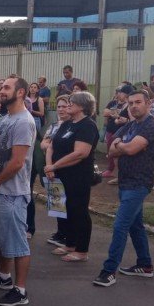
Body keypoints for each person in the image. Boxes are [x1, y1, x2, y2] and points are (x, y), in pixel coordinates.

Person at [93, 90, 154, 287]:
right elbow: (111, 150)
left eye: (138, 102)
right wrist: (125, 145)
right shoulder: (131, 125)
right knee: (135, 225)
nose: (134, 106)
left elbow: (128, 149)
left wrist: (123, 145)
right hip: (125, 181)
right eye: (131, 103)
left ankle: (109, 271)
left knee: (120, 225)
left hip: (140, 182)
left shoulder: (153, 126)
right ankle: (145, 265)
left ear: (148, 103)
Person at [0, 76, 36, 306]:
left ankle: (20, 289)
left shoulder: (24, 122)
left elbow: (17, 162)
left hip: (12, 192)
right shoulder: (6, 119)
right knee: (4, 237)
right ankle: (4, 277)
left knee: (17, 242)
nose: (1, 91)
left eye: (6, 88)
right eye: (1, 87)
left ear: (21, 92)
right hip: (0, 189)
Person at [44, 91, 100, 262]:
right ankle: (70, 243)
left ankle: (81, 250)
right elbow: (51, 146)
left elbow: (80, 153)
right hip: (59, 174)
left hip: (78, 176)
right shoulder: (67, 124)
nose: (67, 105)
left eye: (71, 103)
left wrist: (55, 165)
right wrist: (49, 167)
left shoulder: (87, 126)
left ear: (82, 106)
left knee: (79, 211)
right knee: (65, 210)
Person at [43, 95, 71, 247]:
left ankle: (68, 234)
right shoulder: (54, 126)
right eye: (58, 106)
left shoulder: (73, 125)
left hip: (68, 169)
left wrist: (54, 145)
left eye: (64, 106)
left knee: (69, 203)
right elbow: (43, 144)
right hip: (51, 168)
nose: (61, 109)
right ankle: (60, 232)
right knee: (57, 203)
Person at [102, 85, 131, 180]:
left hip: (122, 132)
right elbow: (105, 112)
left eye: (120, 92)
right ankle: (111, 169)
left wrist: (117, 117)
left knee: (119, 153)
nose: (118, 94)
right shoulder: (113, 102)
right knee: (110, 151)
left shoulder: (129, 105)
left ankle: (120, 174)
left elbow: (130, 119)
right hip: (111, 130)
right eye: (118, 92)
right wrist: (114, 115)